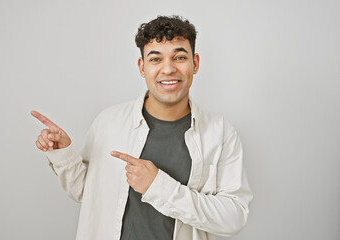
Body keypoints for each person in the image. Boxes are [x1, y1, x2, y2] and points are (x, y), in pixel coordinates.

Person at [31, 15, 252, 240]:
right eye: (156, 59)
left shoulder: (220, 132)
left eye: (179, 57)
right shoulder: (109, 121)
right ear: (142, 67)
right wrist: (64, 154)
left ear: (195, 63)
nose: (168, 69)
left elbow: (233, 217)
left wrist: (159, 187)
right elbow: (87, 194)